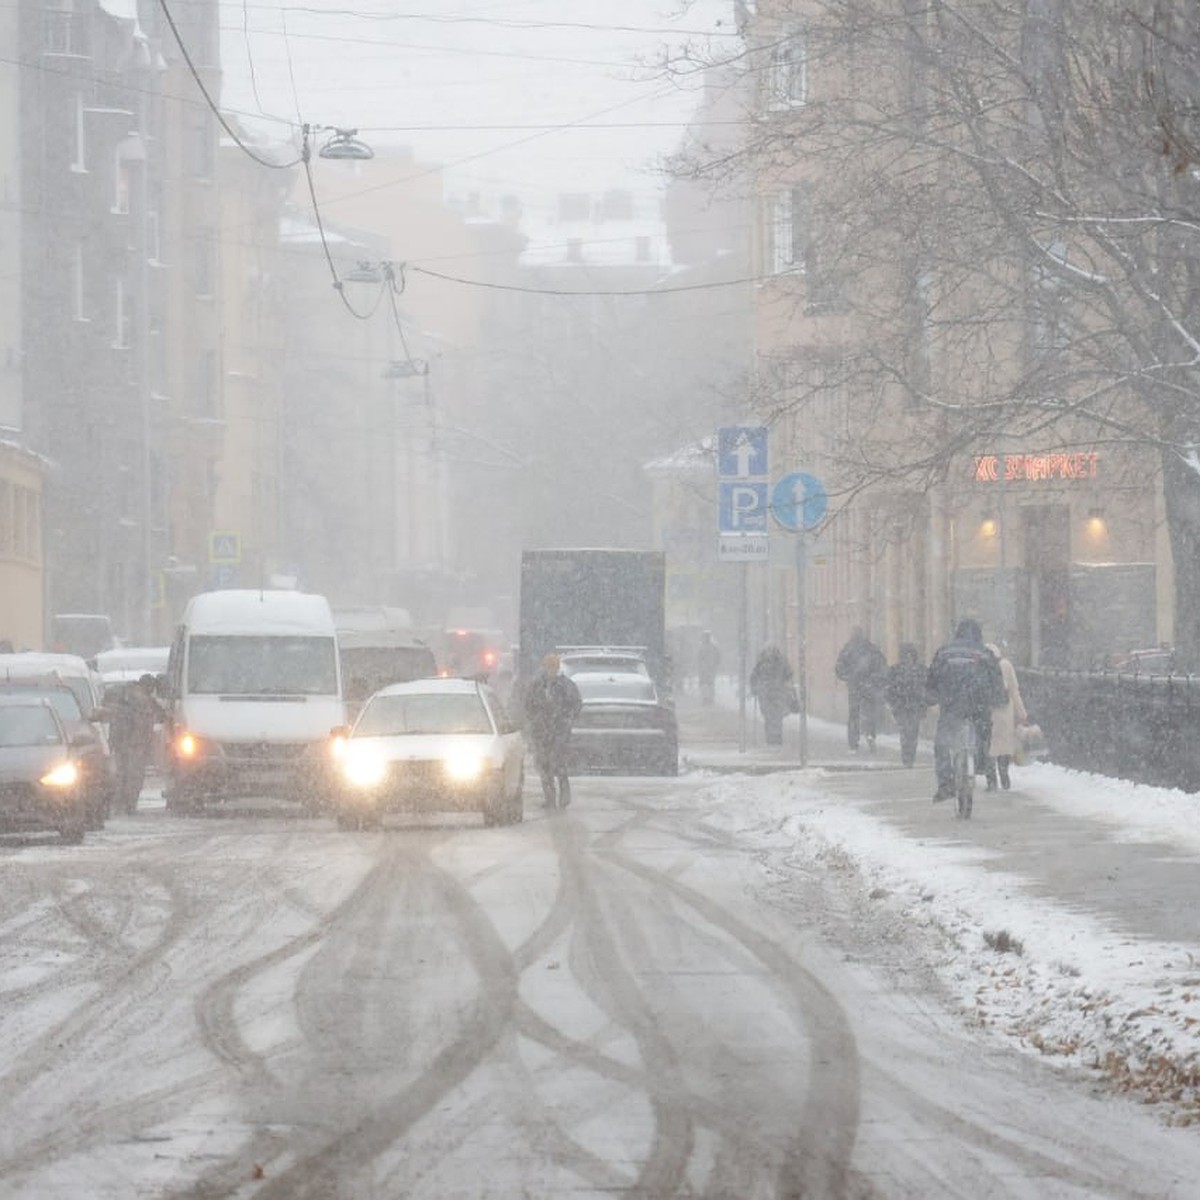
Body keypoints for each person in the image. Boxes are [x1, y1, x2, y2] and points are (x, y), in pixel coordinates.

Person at [926, 619, 1006, 803]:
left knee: (943, 744)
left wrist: (931, 697)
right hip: (978, 704)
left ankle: (946, 784)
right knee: (983, 733)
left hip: (951, 704)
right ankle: (982, 763)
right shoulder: (985, 653)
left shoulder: (944, 652)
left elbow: (932, 679)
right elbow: (996, 680)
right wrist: (999, 698)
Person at [522, 652, 583, 809]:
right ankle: (550, 798)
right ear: (544, 667)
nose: (551, 669)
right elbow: (528, 705)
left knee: (559, 764)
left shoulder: (566, 686)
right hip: (541, 732)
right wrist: (535, 722)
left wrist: (566, 720)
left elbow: (576, 704)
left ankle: (564, 795)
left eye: (553, 666)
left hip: (559, 732)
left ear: (558, 667)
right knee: (544, 766)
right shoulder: (537, 685)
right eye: (548, 666)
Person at [108, 674, 163, 814]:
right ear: (148, 686)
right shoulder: (142, 700)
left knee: (122, 775)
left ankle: (118, 805)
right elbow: (152, 718)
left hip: (121, 743)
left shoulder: (127, 695)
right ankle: (129, 806)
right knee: (134, 777)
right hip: (135, 744)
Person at [835, 627, 887, 751]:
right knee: (869, 712)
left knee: (854, 714)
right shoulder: (870, 648)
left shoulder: (848, 649)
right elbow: (882, 663)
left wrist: (847, 677)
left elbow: (839, 668)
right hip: (869, 685)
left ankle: (853, 742)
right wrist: (876, 679)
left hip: (854, 686)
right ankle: (870, 735)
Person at [983, 642, 1027, 790]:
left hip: (986, 711)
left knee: (988, 746)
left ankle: (991, 780)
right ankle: (1004, 774)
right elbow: (1014, 691)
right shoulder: (1006, 664)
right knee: (1004, 745)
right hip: (1004, 711)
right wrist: (1021, 713)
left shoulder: (980, 665)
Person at [885, 643, 928, 768]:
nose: (909, 658)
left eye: (911, 655)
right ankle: (907, 757)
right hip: (903, 706)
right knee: (905, 731)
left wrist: (924, 702)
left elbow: (926, 687)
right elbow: (889, 689)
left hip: (912, 706)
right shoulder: (896, 670)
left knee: (912, 732)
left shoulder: (920, 670)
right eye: (906, 655)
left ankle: (909, 757)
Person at [750, 644, 794, 747]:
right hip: (776, 693)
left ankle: (771, 738)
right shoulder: (780, 662)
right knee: (775, 717)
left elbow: (754, 676)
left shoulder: (762, 663)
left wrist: (755, 689)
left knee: (770, 717)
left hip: (767, 693)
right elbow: (789, 674)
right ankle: (776, 738)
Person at [696, 631, 721, 706]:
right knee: (707, 684)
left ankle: (708, 698)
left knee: (708, 684)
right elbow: (699, 658)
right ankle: (707, 698)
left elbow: (699, 658)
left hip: (708, 669)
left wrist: (714, 664)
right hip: (707, 669)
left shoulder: (708, 647)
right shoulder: (708, 647)